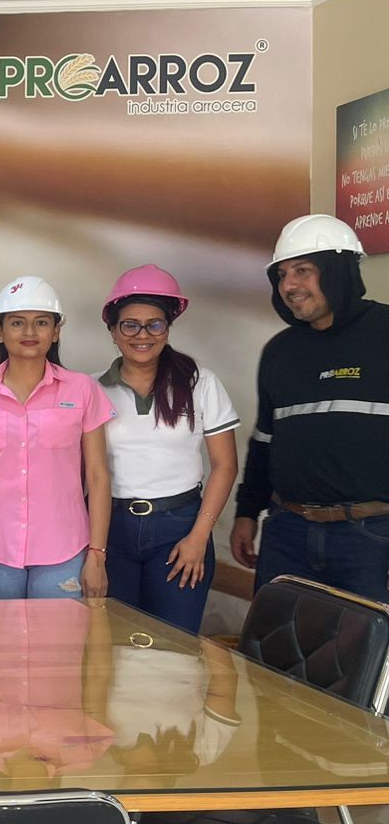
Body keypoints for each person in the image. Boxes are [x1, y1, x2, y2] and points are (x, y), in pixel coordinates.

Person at [232, 214, 389, 601]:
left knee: (365, 641)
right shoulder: (280, 352)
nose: (289, 285)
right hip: (287, 534)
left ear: (338, 270)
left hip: (370, 539)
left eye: (302, 270)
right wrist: (246, 513)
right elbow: (264, 441)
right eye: (282, 274)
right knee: (275, 640)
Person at [95, 266, 240, 634]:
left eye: (154, 325)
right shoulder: (91, 390)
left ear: (168, 328)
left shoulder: (201, 383)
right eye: (130, 325)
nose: (142, 335)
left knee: (175, 647)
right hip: (111, 529)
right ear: (113, 331)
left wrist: (199, 537)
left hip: (180, 530)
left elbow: (225, 465)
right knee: (114, 645)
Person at [0, 276, 113, 601]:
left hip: (65, 550)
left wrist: (97, 555)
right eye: (17, 323)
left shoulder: (82, 390)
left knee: (59, 636)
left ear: (56, 331)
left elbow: (98, 476)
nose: (29, 332)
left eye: (41, 322)